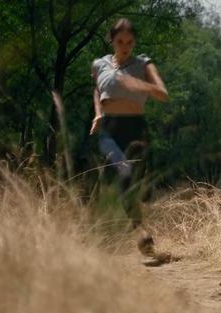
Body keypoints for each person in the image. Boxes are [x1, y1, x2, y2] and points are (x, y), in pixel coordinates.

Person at [90, 18, 168, 256]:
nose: (125, 46)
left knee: (129, 183)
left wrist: (137, 84)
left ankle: (140, 231)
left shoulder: (143, 64)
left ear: (134, 42)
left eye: (130, 42)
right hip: (109, 130)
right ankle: (139, 233)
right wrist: (97, 114)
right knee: (121, 176)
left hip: (135, 129)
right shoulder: (99, 64)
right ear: (111, 40)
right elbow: (96, 89)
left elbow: (163, 94)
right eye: (120, 41)